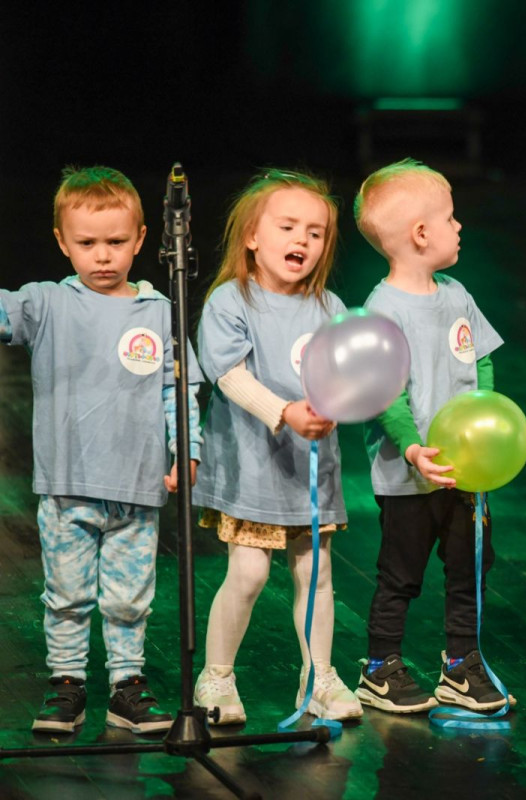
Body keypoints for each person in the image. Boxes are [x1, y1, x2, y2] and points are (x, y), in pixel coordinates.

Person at [0, 166, 201, 734]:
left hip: (136, 485)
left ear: (141, 239)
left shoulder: (158, 311)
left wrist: (186, 448)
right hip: (67, 484)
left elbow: (179, 387)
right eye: (87, 243)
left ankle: (126, 685)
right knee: (66, 593)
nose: (103, 256)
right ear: (62, 242)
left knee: (129, 596)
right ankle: (66, 683)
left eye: (116, 241)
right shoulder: (46, 303)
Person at [192, 169, 362, 725]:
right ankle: (216, 676)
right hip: (253, 466)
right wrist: (285, 412)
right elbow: (228, 374)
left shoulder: (330, 307)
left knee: (317, 574)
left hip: (311, 469)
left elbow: (348, 373)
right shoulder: (231, 300)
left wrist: (339, 402)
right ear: (252, 237)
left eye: (315, 232)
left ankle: (319, 677)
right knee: (249, 574)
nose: (302, 241)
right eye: (288, 227)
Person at [352, 159, 508, 714]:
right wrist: (414, 448)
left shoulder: (457, 294)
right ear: (421, 233)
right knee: (401, 574)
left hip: (465, 472)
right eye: (450, 217)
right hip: (409, 477)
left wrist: (483, 426)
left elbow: (480, 359)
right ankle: (379, 667)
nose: (458, 226)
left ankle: (461, 663)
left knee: (470, 567)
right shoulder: (383, 310)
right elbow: (385, 395)